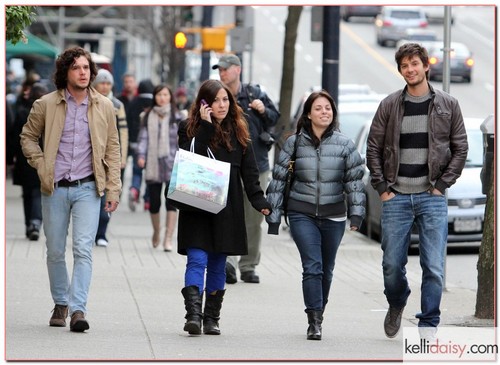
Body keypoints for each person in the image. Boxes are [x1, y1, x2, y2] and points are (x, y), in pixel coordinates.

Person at [366, 43, 468, 339]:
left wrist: (441, 186)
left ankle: (428, 325)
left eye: (414, 64)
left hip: (431, 197)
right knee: (391, 265)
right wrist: (383, 188)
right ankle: (397, 302)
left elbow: (460, 148)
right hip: (396, 196)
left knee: (434, 266)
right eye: (404, 66)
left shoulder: (448, 104)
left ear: (426, 66)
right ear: (400, 71)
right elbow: (373, 148)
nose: (409, 69)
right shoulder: (389, 105)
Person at [20, 46, 122, 332]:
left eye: (86, 68)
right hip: (54, 189)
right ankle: (61, 302)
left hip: (88, 188)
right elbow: (27, 137)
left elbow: (113, 148)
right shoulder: (46, 104)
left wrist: (113, 189)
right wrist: (41, 164)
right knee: (54, 250)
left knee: (82, 249)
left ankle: (78, 309)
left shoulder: (104, 106)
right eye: (76, 67)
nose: (82, 72)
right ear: (65, 72)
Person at [173, 79, 271, 336]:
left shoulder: (239, 131)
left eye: (225, 99)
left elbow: (250, 174)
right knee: (197, 259)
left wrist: (260, 202)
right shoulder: (189, 128)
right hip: (197, 205)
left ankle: (211, 318)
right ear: (204, 103)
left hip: (227, 208)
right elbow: (189, 155)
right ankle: (193, 315)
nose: (222, 105)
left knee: (218, 263)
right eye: (215, 100)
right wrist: (205, 127)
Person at [266, 90, 366, 341]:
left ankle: (319, 310)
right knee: (313, 266)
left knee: (327, 269)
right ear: (308, 114)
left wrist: (356, 214)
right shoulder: (294, 143)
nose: (324, 112)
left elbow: (354, 182)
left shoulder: (345, 144)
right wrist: (274, 217)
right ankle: (314, 320)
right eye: (319, 108)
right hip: (302, 212)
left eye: (328, 108)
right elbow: (279, 180)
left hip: (334, 215)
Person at [212, 53, 280, 284]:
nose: (221, 73)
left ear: (237, 70)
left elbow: (274, 118)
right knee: (228, 216)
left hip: (256, 164)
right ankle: (228, 264)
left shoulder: (254, 93)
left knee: (253, 219)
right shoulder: (214, 96)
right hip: (225, 166)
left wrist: (262, 110)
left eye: (225, 68)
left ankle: (248, 265)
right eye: (219, 69)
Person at [136, 84, 180, 251]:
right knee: (154, 203)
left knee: (171, 202)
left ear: (170, 97)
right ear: (155, 97)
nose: (162, 98)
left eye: (165, 95)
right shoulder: (147, 116)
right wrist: (141, 156)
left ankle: (168, 238)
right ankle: (156, 232)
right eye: (159, 95)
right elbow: (143, 139)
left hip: (172, 164)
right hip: (153, 164)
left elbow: (181, 140)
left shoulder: (177, 116)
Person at [93, 68, 129, 247]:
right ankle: (92, 231)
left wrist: (122, 156)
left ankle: (102, 232)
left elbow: (123, 132)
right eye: (102, 83)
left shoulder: (117, 105)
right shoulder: (89, 102)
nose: (105, 86)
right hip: (93, 155)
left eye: (108, 83)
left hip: (111, 156)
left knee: (109, 195)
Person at [10, 83, 49, 241]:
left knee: (28, 193)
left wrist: (9, 158)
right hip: (42, 158)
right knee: (37, 193)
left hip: (24, 159)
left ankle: (29, 224)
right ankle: (35, 222)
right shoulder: (49, 113)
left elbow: (13, 137)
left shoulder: (21, 112)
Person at [127, 79, 154, 212]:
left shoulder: (133, 103)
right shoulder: (155, 104)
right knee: (150, 174)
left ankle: (134, 189)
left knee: (137, 171)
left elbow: (129, 123)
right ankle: (148, 201)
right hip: (151, 145)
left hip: (135, 143)